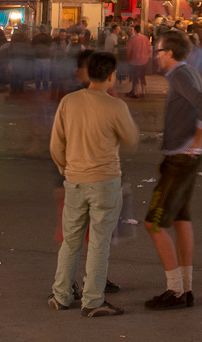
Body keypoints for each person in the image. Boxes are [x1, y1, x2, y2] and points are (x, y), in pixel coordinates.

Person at [49, 51, 138, 317]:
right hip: (105, 181)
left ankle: (61, 294)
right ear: (112, 75)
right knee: (99, 242)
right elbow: (131, 139)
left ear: (88, 73)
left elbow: (56, 144)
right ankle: (93, 300)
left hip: (75, 180)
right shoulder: (115, 106)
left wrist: (67, 169)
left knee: (71, 241)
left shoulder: (69, 102)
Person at [142, 30, 202, 310]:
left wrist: (196, 141)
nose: (156, 56)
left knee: (154, 222)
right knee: (182, 220)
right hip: (184, 157)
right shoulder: (188, 72)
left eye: (158, 51)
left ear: (169, 53)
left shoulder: (181, 75)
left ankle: (175, 291)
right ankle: (186, 287)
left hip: (179, 159)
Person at [125, 27, 150, 98]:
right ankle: (143, 91)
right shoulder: (145, 38)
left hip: (135, 61)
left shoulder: (132, 39)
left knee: (135, 76)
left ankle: (135, 92)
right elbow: (149, 49)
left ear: (135, 31)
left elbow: (129, 50)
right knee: (142, 76)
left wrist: (128, 59)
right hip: (144, 60)